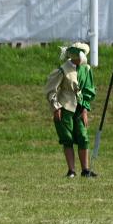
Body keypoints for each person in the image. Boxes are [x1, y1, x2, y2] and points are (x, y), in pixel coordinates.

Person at [46, 42, 97, 178]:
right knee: (67, 138)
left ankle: (85, 170)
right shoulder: (63, 69)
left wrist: (85, 109)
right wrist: (56, 108)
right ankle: (71, 170)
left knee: (83, 137)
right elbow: (51, 90)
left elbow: (88, 90)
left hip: (79, 108)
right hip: (65, 107)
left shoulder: (86, 69)